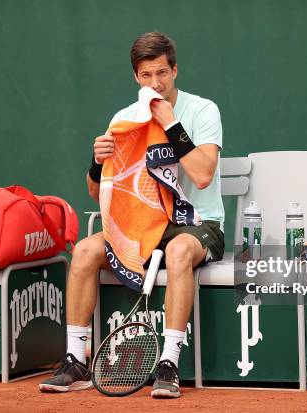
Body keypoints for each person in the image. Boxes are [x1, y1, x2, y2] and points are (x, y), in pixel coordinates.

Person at [39, 32, 224, 399]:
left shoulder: (203, 110)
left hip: (198, 224)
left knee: (178, 252)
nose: (155, 84)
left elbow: (202, 176)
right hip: (141, 225)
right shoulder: (125, 119)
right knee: (85, 251)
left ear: (175, 70)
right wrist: (98, 161)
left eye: (162, 73)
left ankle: (168, 363)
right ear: (135, 78)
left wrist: (171, 125)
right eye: (146, 76)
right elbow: (97, 192)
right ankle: (76, 360)